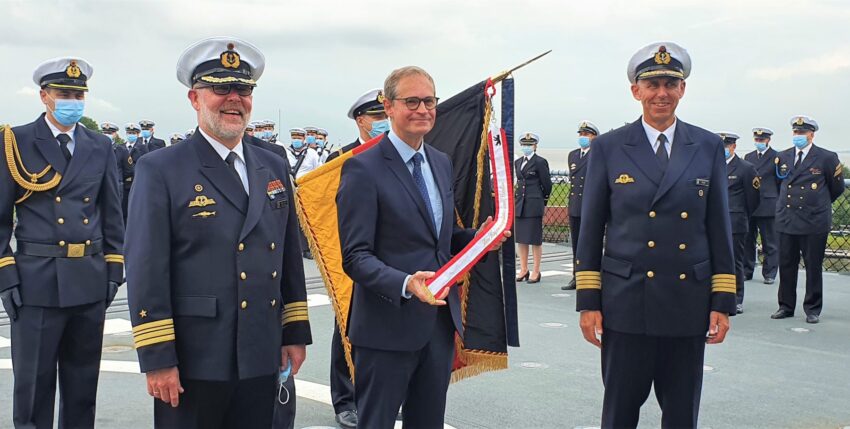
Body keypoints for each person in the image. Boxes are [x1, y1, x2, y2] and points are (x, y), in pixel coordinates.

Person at [125, 37, 312, 428]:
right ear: (195, 98)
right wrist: (158, 358)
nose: (233, 99)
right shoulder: (161, 169)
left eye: (243, 89)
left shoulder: (272, 164)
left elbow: (288, 254)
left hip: (261, 351)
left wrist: (293, 331)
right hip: (196, 358)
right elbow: (146, 268)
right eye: (220, 88)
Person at [336, 65, 508, 428]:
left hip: (437, 327)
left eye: (429, 101)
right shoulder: (362, 169)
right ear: (389, 106)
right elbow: (355, 256)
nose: (422, 109)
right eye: (411, 101)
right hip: (386, 328)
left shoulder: (440, 162)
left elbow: (439, 238)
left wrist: (479, 238)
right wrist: (405, 283)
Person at [575, 42, 736, 427]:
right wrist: (588, 301)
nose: (661, 93)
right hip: (626, 301)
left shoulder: (708, 145)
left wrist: (723, 300)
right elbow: (591, 226)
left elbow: (719, 227)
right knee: (619, 412)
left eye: (670, 83)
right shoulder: (610, 147)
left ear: (682, 90)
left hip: (687, 302)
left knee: (681, 414)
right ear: (636, 91)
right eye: (652, 84)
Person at [0, 56, 124, 428]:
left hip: (88, 278)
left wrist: (113, 271)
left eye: (78, 94)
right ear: (44, 96)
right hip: (37, 282)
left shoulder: (99, 144)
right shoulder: (16, 142)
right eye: (64, 93)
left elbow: (112, 212)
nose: (73, 100)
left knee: (82, 391)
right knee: (34, 391)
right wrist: (6, 273)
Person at [771, 115, 845, 324]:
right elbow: (780, 185)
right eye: (796, 132)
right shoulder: (783, 157)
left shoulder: (827, 158)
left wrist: (818, 203)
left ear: (811, 134)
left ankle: (812, 309)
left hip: (814, 221)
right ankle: (785, 306)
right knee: (786, 264)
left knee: (813, 266)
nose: (798, 136)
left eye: (802, 133)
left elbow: (836, 187)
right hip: (787, 218)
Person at [719, 132, 760, 314]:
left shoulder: (745, 168)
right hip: (713, 222)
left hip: (735, 221)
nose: (723, 150)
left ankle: (736, 298)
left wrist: (741, 214)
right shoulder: (709, 165)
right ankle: (716, 297)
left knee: (735, 262)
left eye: (726, 146)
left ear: (733, 147)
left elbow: (753, 199)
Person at [564, 120, 598, 290]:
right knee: (576, 242)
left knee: (590, 242)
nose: (583, 137)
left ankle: (590, 277)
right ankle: (576, 276)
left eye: (586, 134)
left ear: (594, 137)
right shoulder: (573, 155)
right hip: (575, 204)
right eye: (581, 134)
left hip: (590, 204)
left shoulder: (598, 154)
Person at [514, 132, 552, 284]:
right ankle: (523, 269)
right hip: (520, 204)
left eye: (529, 145)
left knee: (535, 239)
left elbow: (547, 184)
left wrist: (542, 200)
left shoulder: (540, 162)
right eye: (524, 144)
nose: (526, 147)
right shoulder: (518, 162)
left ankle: (536, 270)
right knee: (521, 239)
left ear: (535, 146)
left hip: (534, 203)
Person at [743, 127, 780, 284]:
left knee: (770, 242)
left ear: (768, 140)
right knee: (747, 240)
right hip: (750, 205)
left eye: (762, 140)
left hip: (768, 204)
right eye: (757, 140)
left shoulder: (777, 157)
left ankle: (770, 273)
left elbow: (780, 182)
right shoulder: (749, 156)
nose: (759, 142)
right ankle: (747, 270)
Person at [326, 88, 389, 163]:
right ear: (360, 121)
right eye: (378, 117)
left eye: (386, 117)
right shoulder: (340, 158)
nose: (385, 121)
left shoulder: (396, 153)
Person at [103, 121, 132, 207]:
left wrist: (119, 179)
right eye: (105, 133)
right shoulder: (95, 148)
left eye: (110, 133)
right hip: (98, 183)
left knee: (114, 210)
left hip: (115, 184)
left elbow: (129, 170)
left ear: (115, 134)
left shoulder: (121, 150)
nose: (107, 135)